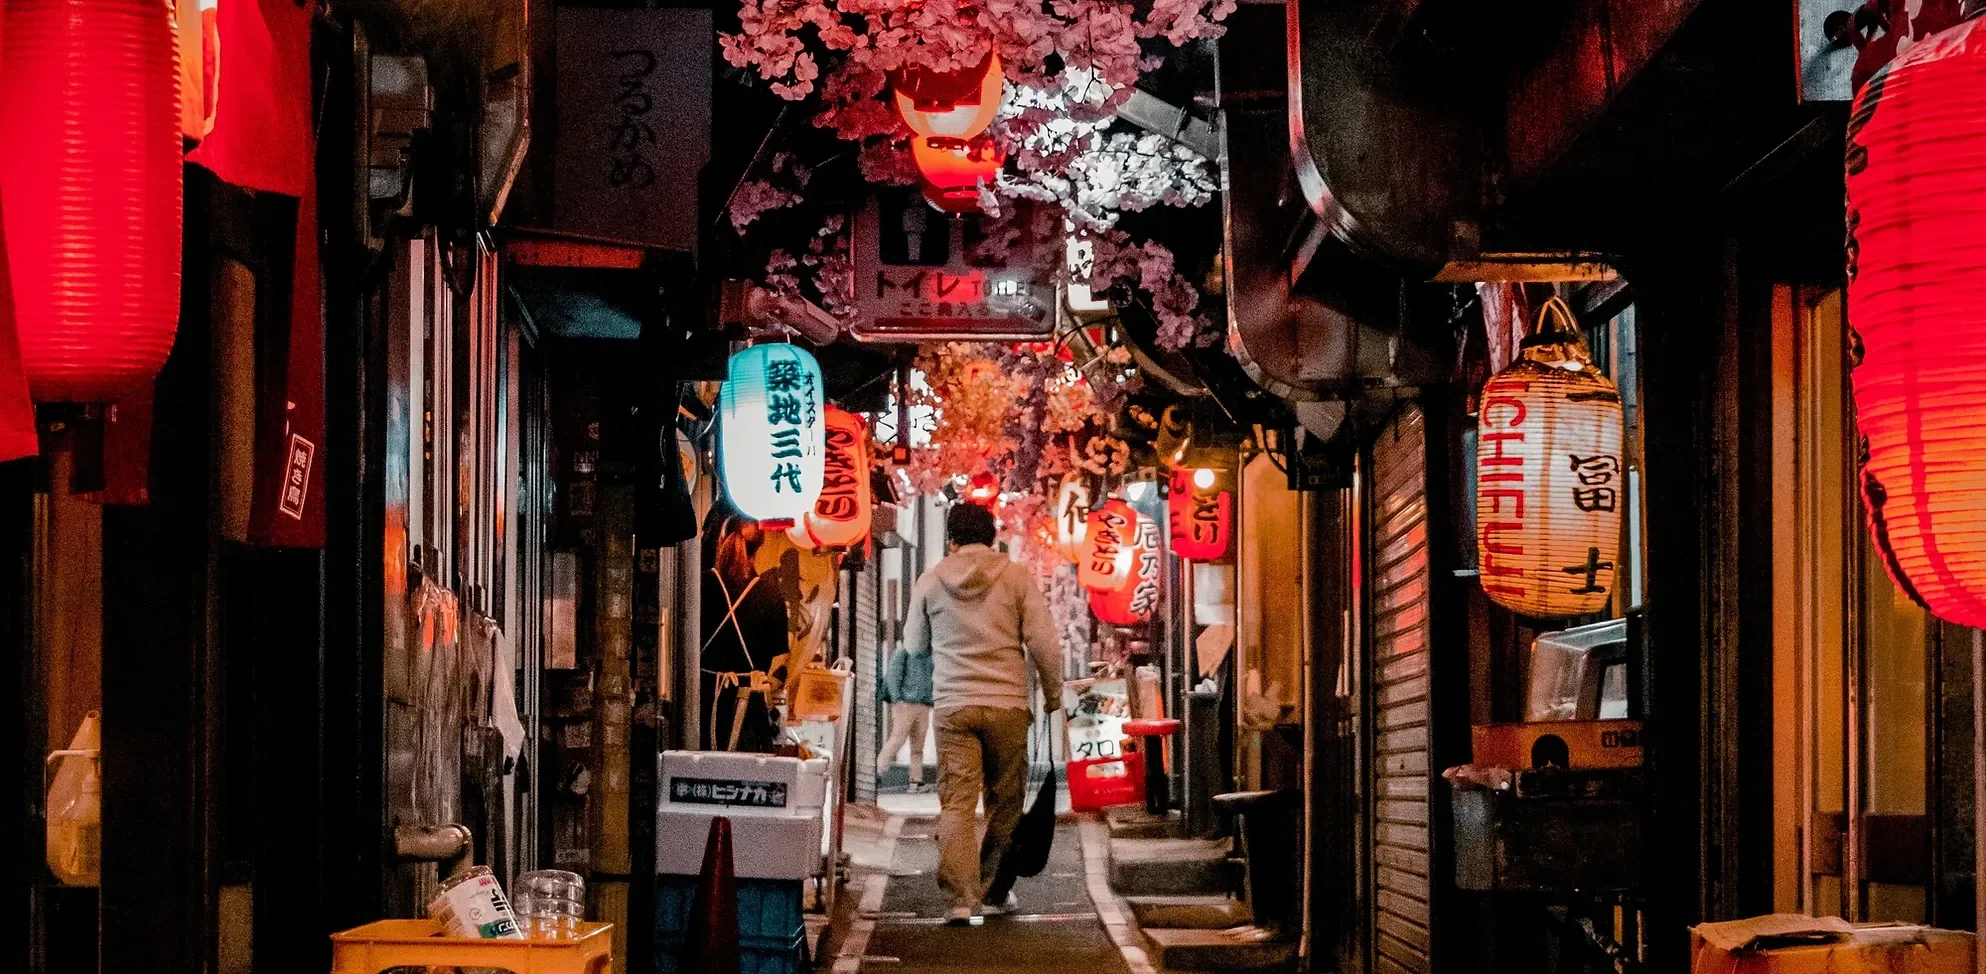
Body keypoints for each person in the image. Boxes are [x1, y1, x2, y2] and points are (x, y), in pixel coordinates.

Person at [903, 502, 1063, 923]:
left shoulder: (931, 581)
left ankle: (960, 900)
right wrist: (1053, 695)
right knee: (1005, 799)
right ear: (993, 536)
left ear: (951, 538)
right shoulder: (1015, 577)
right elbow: (1043, 641)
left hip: (954, 705)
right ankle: (994, 890)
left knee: (957, 802)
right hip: (1008, 703)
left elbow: (914, 644)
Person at [699, 517, 790, 752]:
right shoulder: (771, 594)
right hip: (749, 706)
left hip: (702, 701)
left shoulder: (701, 584)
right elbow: (781, 659)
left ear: (721, 541)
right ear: (760, 547)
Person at [877, 643, 934, 792]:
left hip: (922, 704)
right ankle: (877, 771)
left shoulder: (928, 653)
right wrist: (897, 699)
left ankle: (915, 781)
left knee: (917, 746)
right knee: (898, 739)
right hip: (906, 704)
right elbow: (893, 675)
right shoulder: (904, 651)